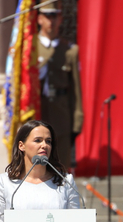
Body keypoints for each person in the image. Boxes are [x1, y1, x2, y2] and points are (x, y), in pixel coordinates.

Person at [36, 1, 83, 167]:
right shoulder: (30, 48)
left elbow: (76, 89)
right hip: (37, 112)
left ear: (60, 18)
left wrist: (77, 121)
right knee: (36, 168)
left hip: (60, 116)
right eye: (47, 16)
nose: (51, 20)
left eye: (55, 15)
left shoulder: (69, 50)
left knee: (59, 167)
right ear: (39, 18)